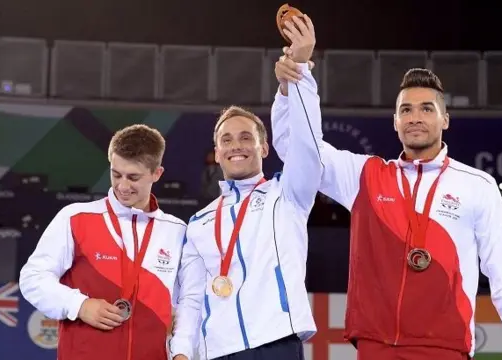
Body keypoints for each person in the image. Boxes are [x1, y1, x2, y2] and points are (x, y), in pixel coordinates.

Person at [271, 60, 502, 359]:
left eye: (426, 109)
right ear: (395, 121)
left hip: (445, 348)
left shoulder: (477, 186)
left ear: (445, 119)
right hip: (375, 347)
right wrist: (294, 84)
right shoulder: (364, 176)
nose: (415, 117)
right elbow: (297, 151)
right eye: (406, 110)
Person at [179, 15, 322, 360]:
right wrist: (181, 350)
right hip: (218, 352)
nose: (236, 145)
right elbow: (192, 297)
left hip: (277, 343)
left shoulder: (288, 195)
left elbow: (307, 145)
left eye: (246, 137)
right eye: (226, 139)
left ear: (264, 148)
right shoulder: (199, 222)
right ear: (217, 153)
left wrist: (298, 76)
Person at [19, 124, 205, 360]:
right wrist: (79, 305)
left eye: (133, 177)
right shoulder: (76, 218)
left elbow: (191, 300)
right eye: (116, 174)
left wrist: (182, 352)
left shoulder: (177, 231)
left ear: (157, 174)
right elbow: (32, 278)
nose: (123, 186)